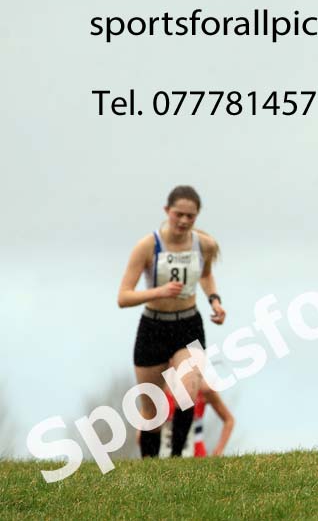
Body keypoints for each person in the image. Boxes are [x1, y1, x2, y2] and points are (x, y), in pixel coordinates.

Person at [118, 185, 226, 458]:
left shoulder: (204, 245)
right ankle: (151, 468)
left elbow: (206, 274)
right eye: (179, 214)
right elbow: (123, 297)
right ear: (167, 211)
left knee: (188, 390)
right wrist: (158, 292)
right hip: (153, 326)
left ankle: (177, 460)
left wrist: (214, 299)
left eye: (191, 216)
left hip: (188, 324)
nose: (184, 221)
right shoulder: (147, 246)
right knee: (152, 411)